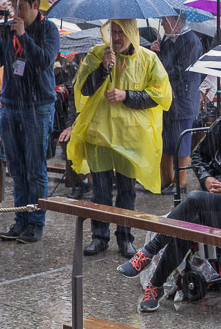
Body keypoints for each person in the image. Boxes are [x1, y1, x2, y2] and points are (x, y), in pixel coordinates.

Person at [116, 82, 221, 311]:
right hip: (212, 199)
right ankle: (155, 285)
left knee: (194, 201)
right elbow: (198, 156)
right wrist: (207, 179)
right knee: (188, 224)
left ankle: (148, 254)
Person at [67, 19, 171, 258]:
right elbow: (83, 89)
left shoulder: (148, 59)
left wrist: (127, 95)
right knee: (101, 191)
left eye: (121, 32)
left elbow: (160, 96)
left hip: (130, 136)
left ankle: (125, 238)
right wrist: (103, 68)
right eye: (113, 31)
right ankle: (99, 237)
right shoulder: (96, 54)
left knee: (126, 191)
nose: (116, 37)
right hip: (99, 134)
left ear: (132, 32)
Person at [0, 0, 60, 244]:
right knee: (16, 168)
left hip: (37, 106)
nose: (17, 13)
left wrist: (24, 36)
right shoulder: (9, 29)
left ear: (36, 6)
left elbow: (43, 61)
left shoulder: (48, 29)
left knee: (35, 168)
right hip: (10, 104)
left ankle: (35, 223)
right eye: (13, 7)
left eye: (23, 8)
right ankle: (20, 219)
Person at [150, 11, 202, 194]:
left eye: (165, 19)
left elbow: (181, 71)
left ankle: (180, 183)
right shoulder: (167, 39)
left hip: (183, 99)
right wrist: (156, 53)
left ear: (177, 21)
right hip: (167, 99)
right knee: (166, 142)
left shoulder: (191, 41)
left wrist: (160, 70)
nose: (162, 23)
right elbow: (162, 65)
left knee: (181, 142)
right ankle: (165, 181)